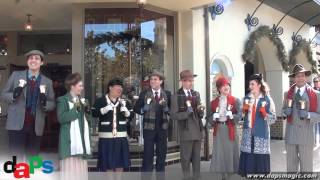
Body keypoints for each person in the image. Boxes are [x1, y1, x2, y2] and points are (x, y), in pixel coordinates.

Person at [1, 50, 55, 159]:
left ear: (41, 62)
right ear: (27, 62)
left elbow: (52, 103)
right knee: (16, 158)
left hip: (36, 126)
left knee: (33, 160)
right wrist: (14, 96)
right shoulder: (16, 75)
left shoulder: (47, 81)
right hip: (16, 125)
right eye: (31, 58)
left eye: (36, 58)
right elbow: (3, 95)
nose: (33, 60)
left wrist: (45, 103)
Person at [282, 64, 320, 172]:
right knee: (291, 168)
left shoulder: (316, 94)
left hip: (306, 136)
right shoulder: (287, 94)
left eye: (302, 75)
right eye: (297, 76)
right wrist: (285, 112)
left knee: (307, 168)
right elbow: (283, 110)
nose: (300, 78)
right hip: (291, 135)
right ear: (294, 78)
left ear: (306, 77)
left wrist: (308, 115)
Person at [133, 71, 171, 179]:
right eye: (151, 79)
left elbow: (171, 111)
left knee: (161, 157)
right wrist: (143, 109)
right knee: (147, 157)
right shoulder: (144, 93)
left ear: (161, 81)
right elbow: (136, 108)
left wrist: (167, 109)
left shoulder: (167, 94)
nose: (152, 81)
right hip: (148, 129)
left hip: (162, 129)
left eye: (155, 79)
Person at [238, 74, 276, 176]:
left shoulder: (267, 99)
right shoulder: (246, 99)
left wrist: (265, 114)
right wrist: (243, 112)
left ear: (259, 85)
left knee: (260, 160)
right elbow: (240, 117)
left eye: (252, 84)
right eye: (249, 84)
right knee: (249, 157)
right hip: (248, 134)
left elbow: (273, 119)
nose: (250, 87)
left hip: (261, 134)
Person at [92, 78, 134, 172]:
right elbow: (93, 113)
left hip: (121, 136)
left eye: (121, 87)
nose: (119, 89)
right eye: (117, 87)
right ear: (110, 88)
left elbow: (132, 115)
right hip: (106, 137)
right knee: (107, 164)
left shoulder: (125, 102)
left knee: (120, 163)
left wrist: (127, 112)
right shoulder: (101, 101)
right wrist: (104, 110)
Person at [170, 70, 205, 180]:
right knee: (185, 157)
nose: (191, 83)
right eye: (189, 81)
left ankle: (196, 177)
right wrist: (187, 114)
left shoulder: (196, 94)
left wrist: (201, 111)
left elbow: (200, 112)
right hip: (186, 130)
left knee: (196, 158)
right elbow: (173, 115)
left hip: (197, 129)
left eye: (192, 80)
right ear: (183, 82)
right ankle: (186, 177)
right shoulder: (176, 96)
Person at [57, 73, 91, 180]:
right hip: (69, 143)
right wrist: (76, 108)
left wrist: (87, 110)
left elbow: (89, 121)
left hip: (82, 143)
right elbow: (61, 118)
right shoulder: (62, 100)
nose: (82, 88)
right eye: (80, 85)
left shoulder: (83, 101)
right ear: (72, 86)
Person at [208, 76, 241, 180]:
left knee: (230, 152)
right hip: (219, 130)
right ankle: (223, 176)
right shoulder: (213, 102)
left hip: (230, 129)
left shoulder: (235, 100)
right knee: (220, 153)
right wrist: (213, 117)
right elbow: (208, 118)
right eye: (223, 85)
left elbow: (240, 115)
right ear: (219, 89)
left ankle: (230, 174)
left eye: (227, 85)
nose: (226, 87)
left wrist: (232, 116)